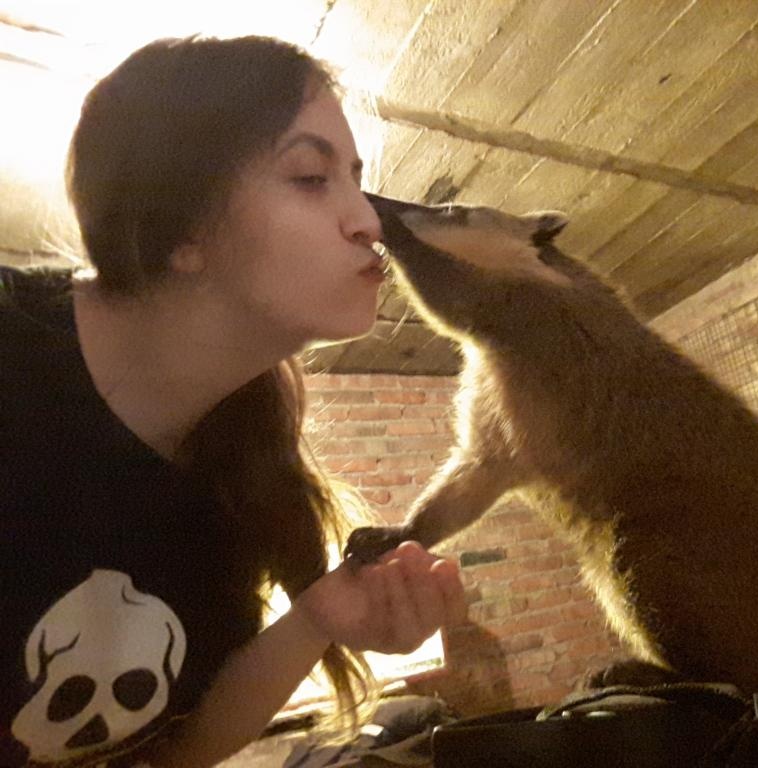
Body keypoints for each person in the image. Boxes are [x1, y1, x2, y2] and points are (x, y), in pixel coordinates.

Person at [0, 35, 466, 768]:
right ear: (181, 224)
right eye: (311, 177)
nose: (370, 222)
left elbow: (175, 750)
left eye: (356, 179)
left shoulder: (237, 464)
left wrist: (315, 620)